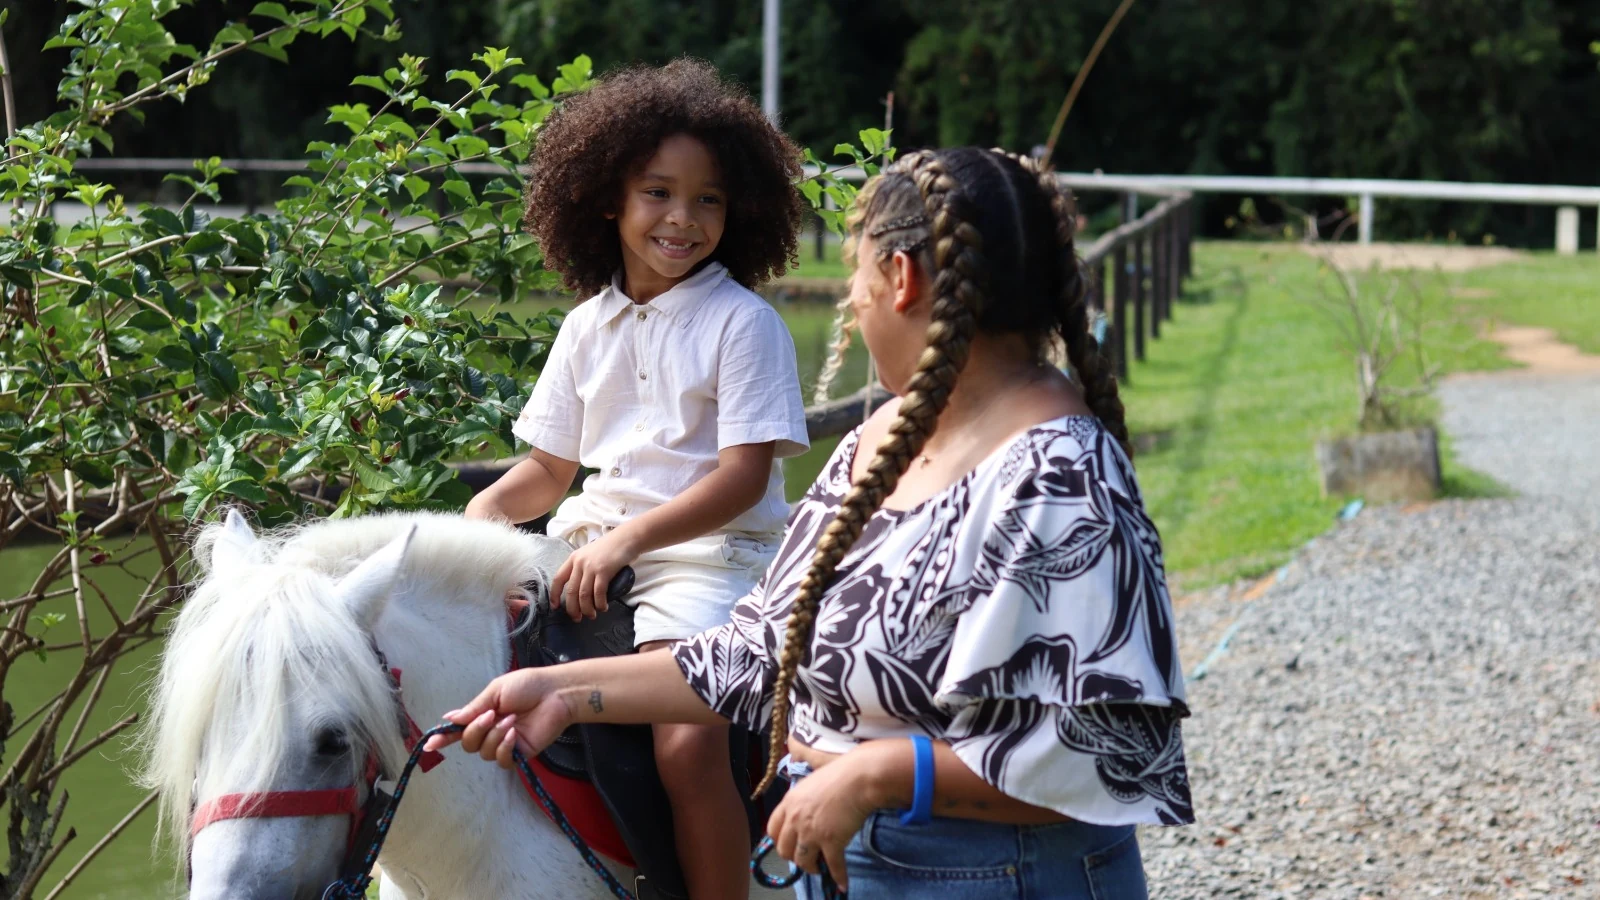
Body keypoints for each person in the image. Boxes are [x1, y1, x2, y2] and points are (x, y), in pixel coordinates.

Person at [438, 147, 1192, 899]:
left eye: (854, 280)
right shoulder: (882, 443)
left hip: (993, 877)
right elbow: (758, 650)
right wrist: (565, 692)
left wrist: (873, 774)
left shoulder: (1061, 475)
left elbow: (1116, 752)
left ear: (901, 281)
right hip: (850, 865)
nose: (852, 305)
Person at [463, 59, 810, 899]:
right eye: (658, 192)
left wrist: (627, 540)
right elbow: (548, 471)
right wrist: (476, 523)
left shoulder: (744, 324)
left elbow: (741, 479)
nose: (682, 219)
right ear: (607, 198)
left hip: (709, 559)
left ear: (739, 211)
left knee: (684, 742)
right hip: (589, 547)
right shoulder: (586, 327)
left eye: (709, 200)